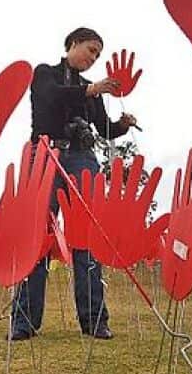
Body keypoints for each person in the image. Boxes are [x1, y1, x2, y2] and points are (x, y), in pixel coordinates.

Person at [9, 27, 137, 341]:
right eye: (91, 50)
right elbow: (50, 97)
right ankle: (24, 322)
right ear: (73, 43)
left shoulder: (89, 88)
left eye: (97, 54)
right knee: (38, 235)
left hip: (82, 157)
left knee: (88, 236)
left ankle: (95, 320)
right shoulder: (45, 73)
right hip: (46, 154)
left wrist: (121, 125)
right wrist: (93, 89)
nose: (93, 58)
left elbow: (103, 129)